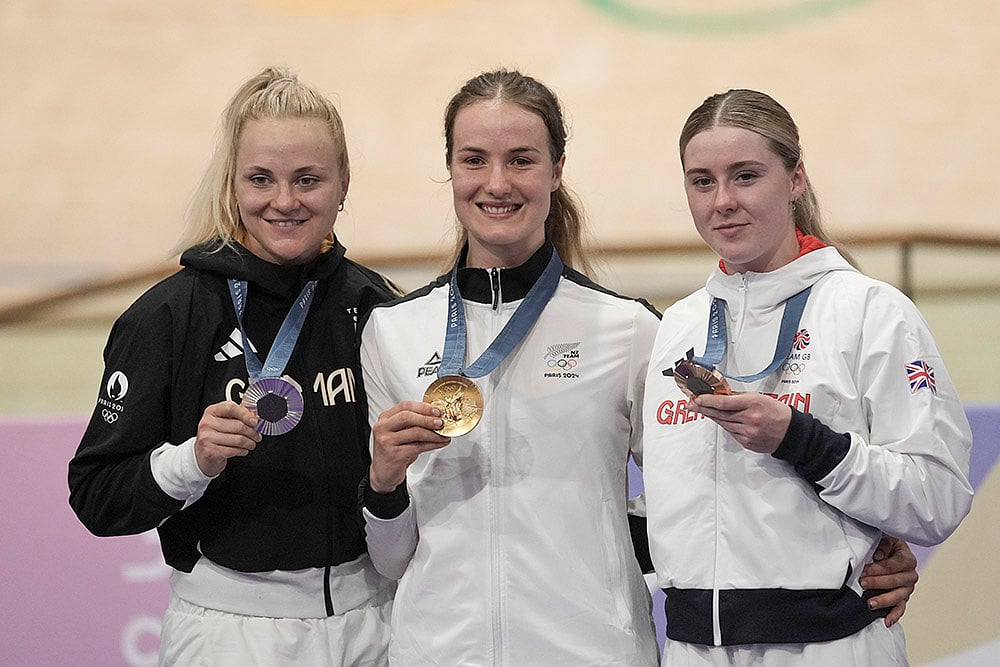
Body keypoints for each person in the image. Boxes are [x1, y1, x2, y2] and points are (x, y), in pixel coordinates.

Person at [357, 70, 918, 665]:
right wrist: (383, 483)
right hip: (439, 653)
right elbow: (393, 559)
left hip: (594, 652)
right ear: (450, 168)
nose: (497, 183)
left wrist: (864, 553)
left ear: (556, 169)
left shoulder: (630, 331)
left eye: (521, 160)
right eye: (475, 160)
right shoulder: (391, 332)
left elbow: (712, 501)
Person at [68, 67, 397, 666]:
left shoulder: (377, 308)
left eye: (308, 179)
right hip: (228, 636)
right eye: (261, 179)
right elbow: (97, 497)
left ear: (343, 183)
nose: (285, 202)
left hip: (376, 624)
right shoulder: (166, 318)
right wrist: (193, 460)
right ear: (233, 182)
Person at [642, 89, 974, 665]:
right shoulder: (678, 326)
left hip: (829, 648)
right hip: (694, 651)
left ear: (795, 178)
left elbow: (937, 498)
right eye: (702, 181)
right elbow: (684, 506)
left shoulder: (871, 311)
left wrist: (801, 439)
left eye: (746, 176)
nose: (722, 201)